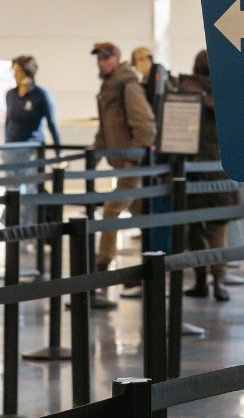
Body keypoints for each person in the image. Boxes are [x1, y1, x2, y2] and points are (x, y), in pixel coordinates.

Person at [91, 42, 155, 308]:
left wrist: (132, 158)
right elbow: (105, 130)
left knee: (111, 212)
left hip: (132, 167)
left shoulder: (127, 85)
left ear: (116, 59)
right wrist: (92, 157)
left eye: (106, 58)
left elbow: (146, 125)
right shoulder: (109, 88)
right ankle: (149, 272)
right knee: (142, 216)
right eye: (98, 58)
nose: (101, 62)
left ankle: (101, 270)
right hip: (122, 164)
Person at [178, 50, 239, 301]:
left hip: (192, 169)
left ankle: (201, 280)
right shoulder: (227, 94)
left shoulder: (184, 90)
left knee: (195, 229)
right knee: (217, 231)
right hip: (220, 172)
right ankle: (219, 281)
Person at [4, 55, 61, 146]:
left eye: (18, 72)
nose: (15, 75)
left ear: (27, 73)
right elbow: (8, 122)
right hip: (12, 147)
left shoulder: (42, 95)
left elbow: (52, 124)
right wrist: (5, 145)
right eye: (14, 71)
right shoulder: (10, 94)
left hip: (32, 148)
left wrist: (59, 152)